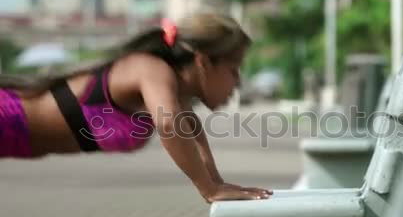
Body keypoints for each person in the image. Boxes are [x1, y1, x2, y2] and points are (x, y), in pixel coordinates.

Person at [0, 13, 273, 203]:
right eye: (234, 70)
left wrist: (216, 182)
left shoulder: (173, 92)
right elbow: (169, 124)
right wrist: (209, 189)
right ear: (203, 62)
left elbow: (189, 127)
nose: (237, 82)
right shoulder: (150, 69)